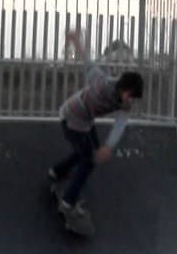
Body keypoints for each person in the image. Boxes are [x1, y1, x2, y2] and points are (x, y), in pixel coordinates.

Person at [48, 30, 144, 224]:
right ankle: (67, 202)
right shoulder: (102, 81)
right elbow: (87, 62)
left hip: (86, 122)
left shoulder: (125, 106)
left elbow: (119, 125)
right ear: (122, 88)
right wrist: (76, 41)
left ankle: (56, 172)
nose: (129, 101)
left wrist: (108, 146)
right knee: (88, 160)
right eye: (129, 96)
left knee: (91, 151)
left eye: (133, 98)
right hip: (70, 118)